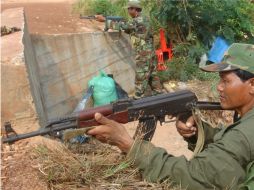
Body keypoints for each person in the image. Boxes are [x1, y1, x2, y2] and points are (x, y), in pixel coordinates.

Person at [87, 43, 254, 189]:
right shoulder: (245, 122)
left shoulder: (244, 133)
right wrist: (198, 132)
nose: (219, 87)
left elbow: (194, 177)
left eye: (226, 81)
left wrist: (128, 145)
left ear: (252, 85)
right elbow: (232, 150)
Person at [100, 0, 163, 98]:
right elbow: (133, 30)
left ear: (135, 9)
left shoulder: (137, 21)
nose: (128, 11)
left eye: (129, 9)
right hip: (151, 53)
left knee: (140, 77)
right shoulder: (145, 19)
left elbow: (121, 26)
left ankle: (138, 99)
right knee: (152, 76)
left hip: (143, 55)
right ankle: (160, 96)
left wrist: (105, 20)